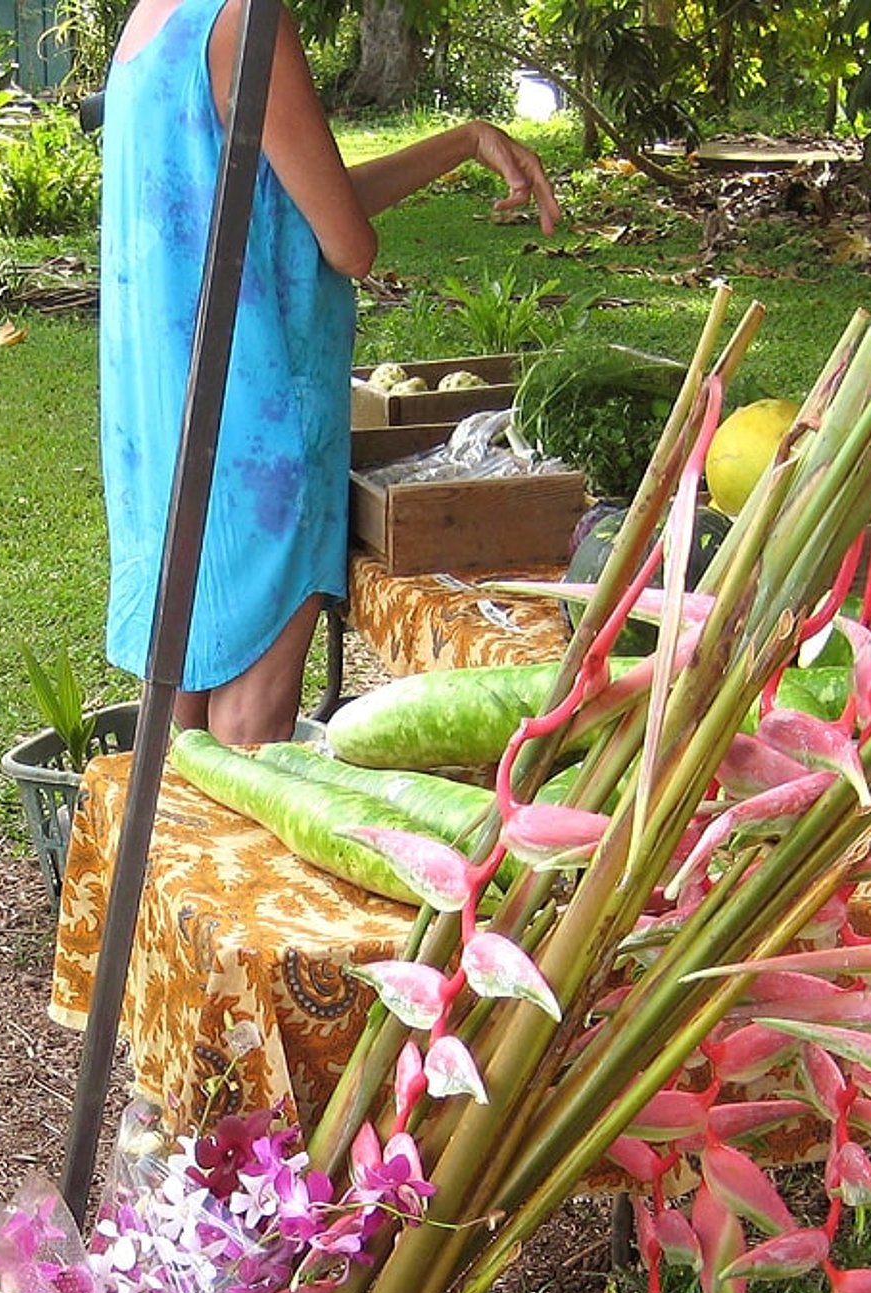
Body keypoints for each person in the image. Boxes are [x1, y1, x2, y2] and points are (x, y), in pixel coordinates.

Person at [99, 0, 562, 745]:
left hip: (168, 423)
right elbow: (349, 244)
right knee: (251, 735)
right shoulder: (250, 22)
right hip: (261, 424)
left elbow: (308, 201)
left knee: (183, 728)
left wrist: (467, 141)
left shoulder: (155, 21)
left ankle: (173, 869)